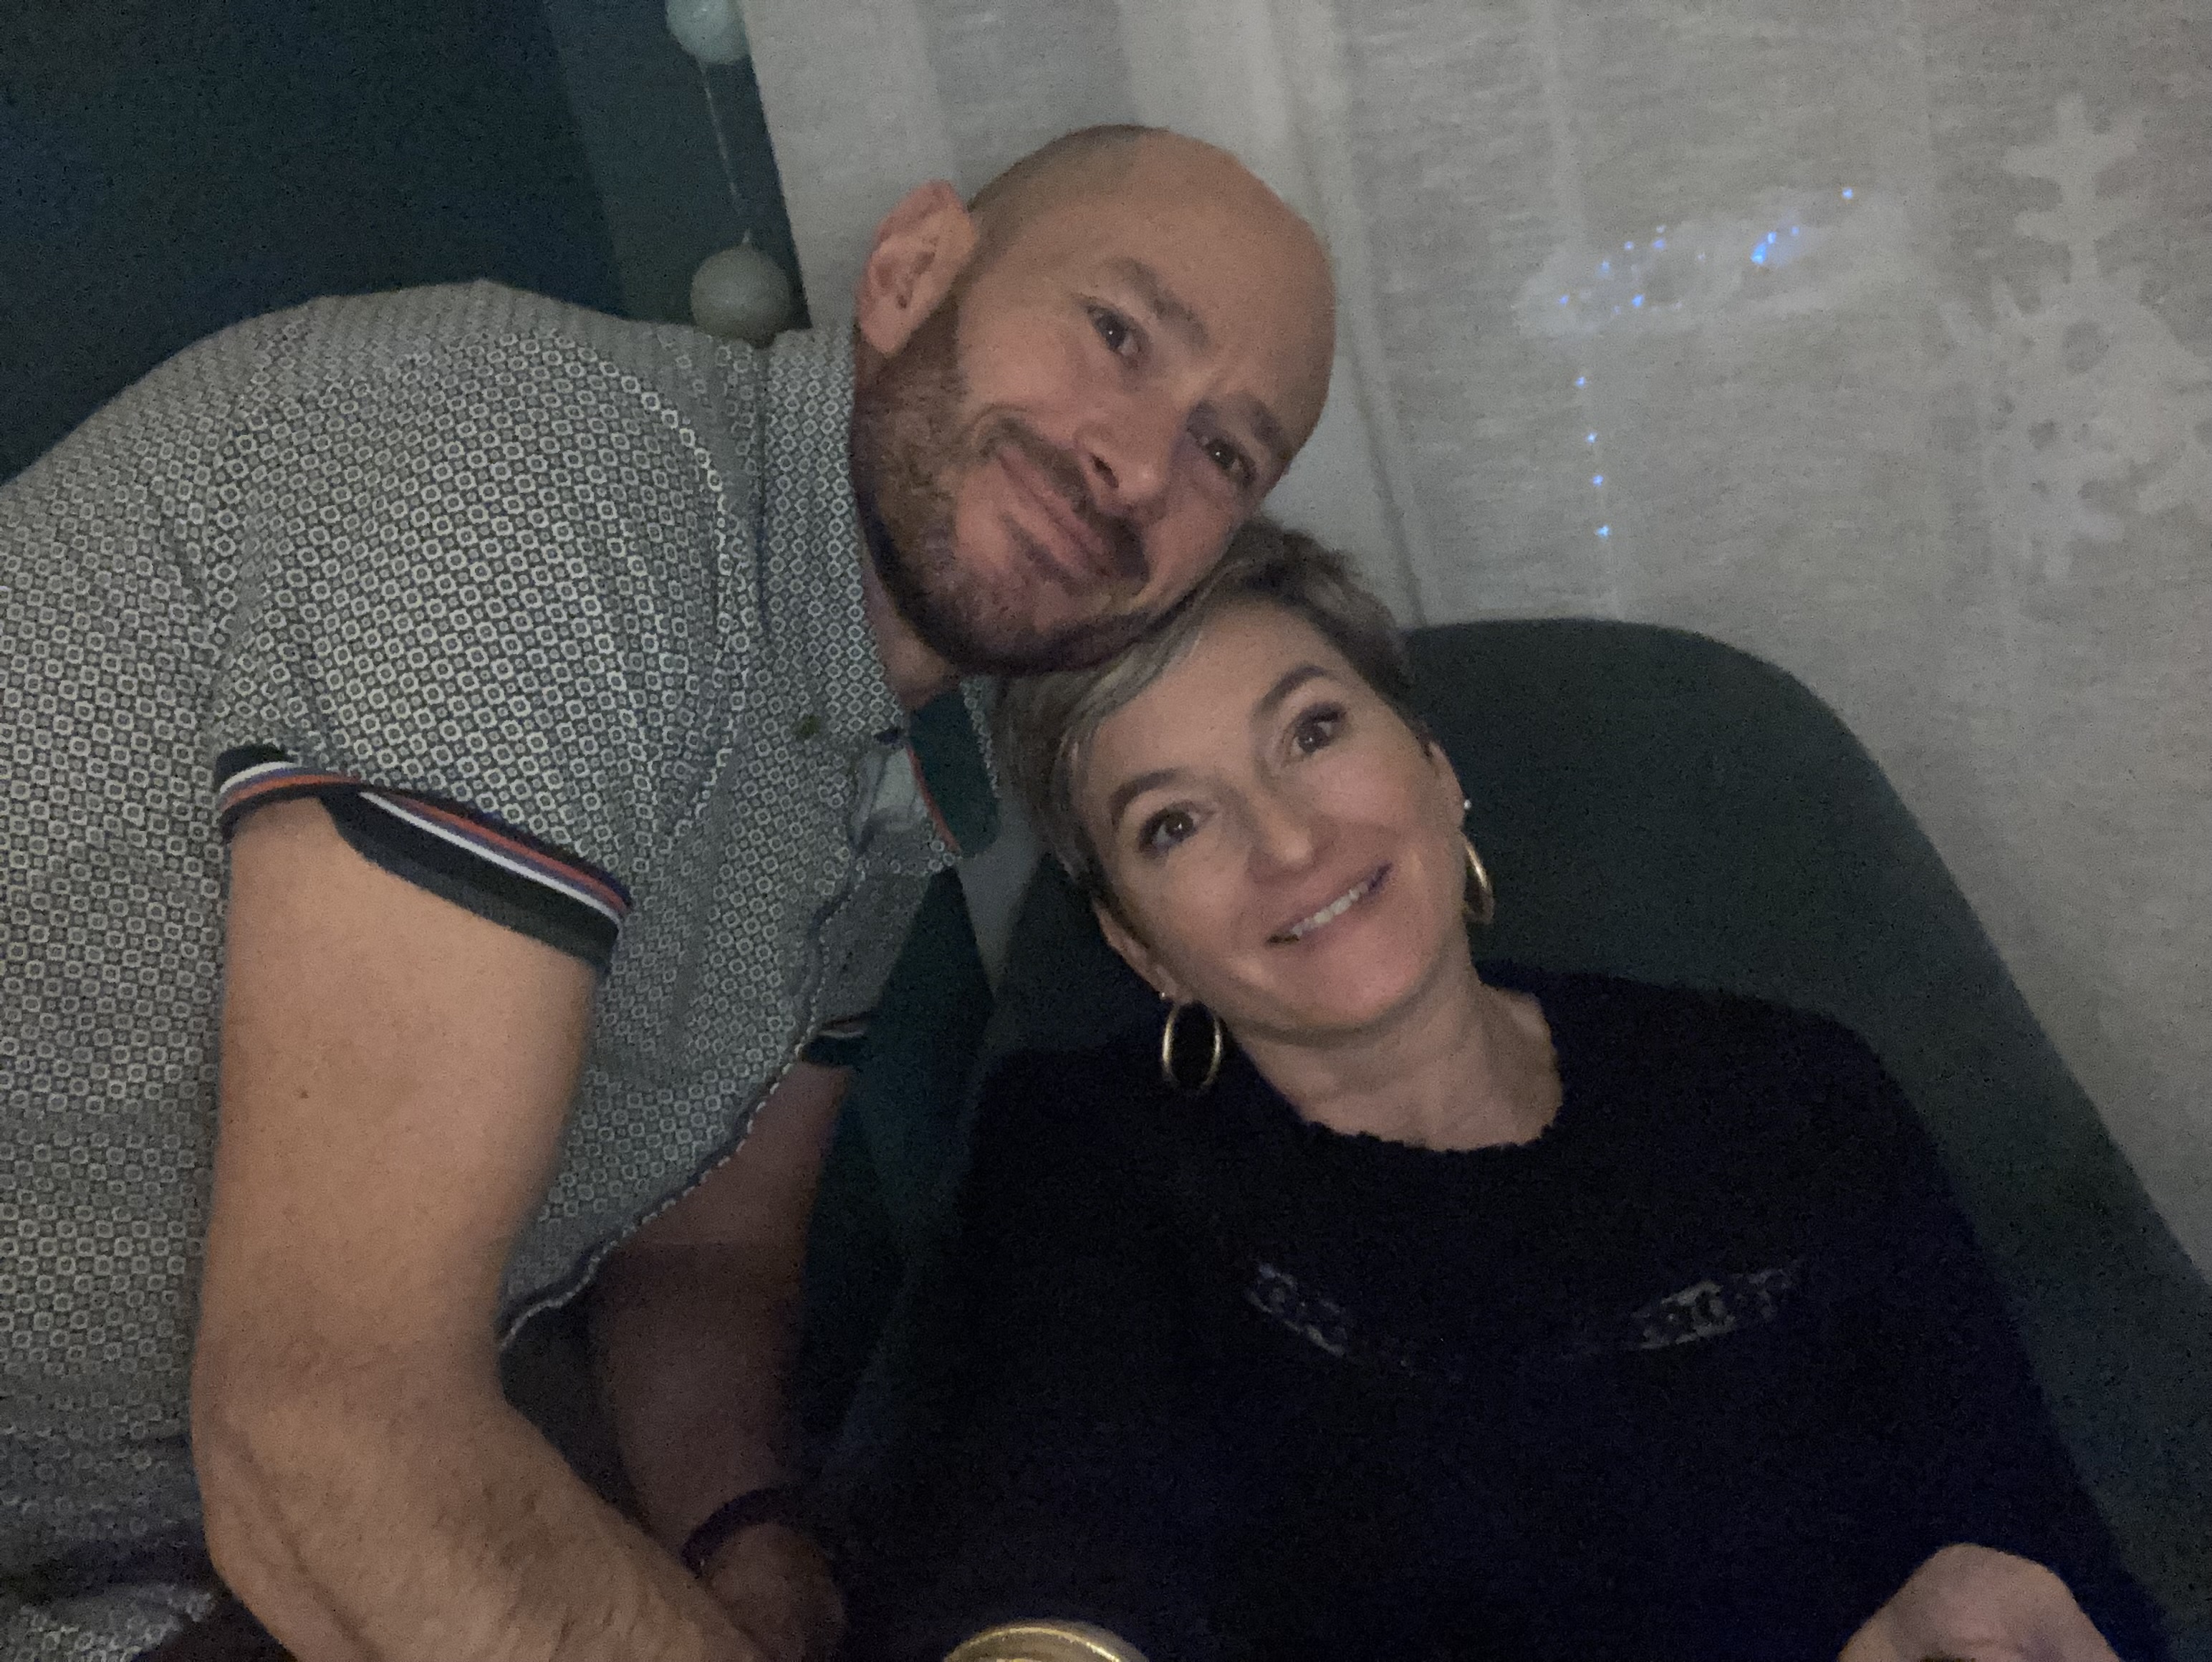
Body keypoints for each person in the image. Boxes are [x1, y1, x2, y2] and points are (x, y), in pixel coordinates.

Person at [0, 126, 1337, 1661]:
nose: (1135, 464)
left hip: (127, 1556)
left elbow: (703, 1254)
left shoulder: (891, 754)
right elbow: (332, 1437)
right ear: (911, 273)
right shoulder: (543, 492)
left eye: (1224, 454)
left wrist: (749, 1544)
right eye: (1114, 332)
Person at [840, 522, 2169, 1662]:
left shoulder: (1787, 1094)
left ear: (1435, 765)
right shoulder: (1086, 1161)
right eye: (1173, 823)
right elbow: (1030, 1558)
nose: (1291, 841)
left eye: (1311, 731)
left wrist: (1999, 1612)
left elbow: (2043, 1546)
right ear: (1140, 946)